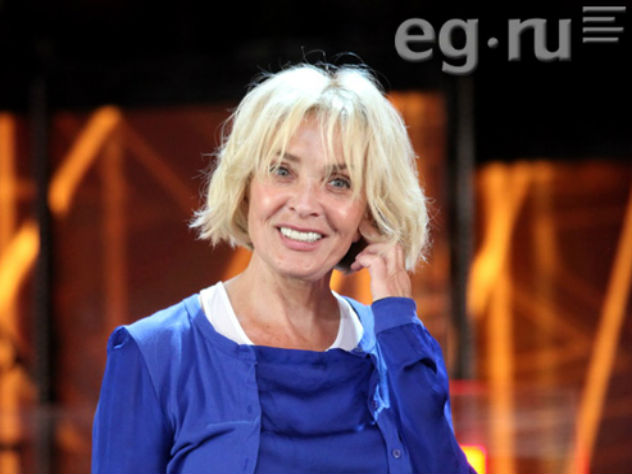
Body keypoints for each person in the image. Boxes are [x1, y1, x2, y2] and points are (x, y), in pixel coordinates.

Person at [91, 61, 475, 474]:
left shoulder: (397, 351)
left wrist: (398, 318)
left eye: (339, 182)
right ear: (245, 186)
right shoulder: (155, 354)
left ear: (370, 209)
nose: (306, 204)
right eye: (282, 171)